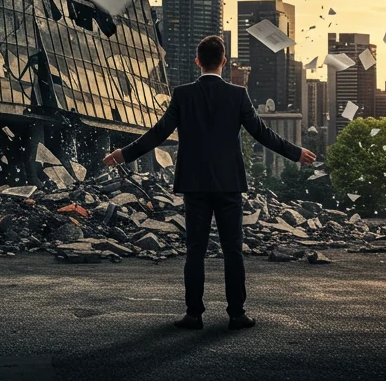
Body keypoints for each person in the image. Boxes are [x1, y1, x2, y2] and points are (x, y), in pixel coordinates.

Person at [103, 33, 316, 331]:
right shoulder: (238, 95)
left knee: (195, 250)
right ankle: (237, 314)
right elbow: (262, 133)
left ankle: (193, 315)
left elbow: (158, 133)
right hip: (228, 184)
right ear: (224, 62)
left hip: (195, 184)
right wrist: (296, 153)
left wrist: (123, 154)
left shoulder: (183, 95)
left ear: (197, 61)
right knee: (233, 250)